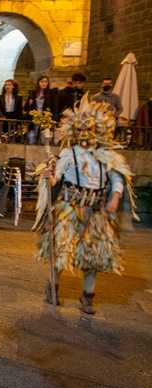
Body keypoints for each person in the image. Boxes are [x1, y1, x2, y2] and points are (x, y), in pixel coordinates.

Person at [34, 95, 136, 314]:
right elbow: (57, 177)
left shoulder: (107, 156)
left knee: (93, 255)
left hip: (96, 211)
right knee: (62, 251)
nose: (84, 135)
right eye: (79, 131)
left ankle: (87, 296)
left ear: (97, 130)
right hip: (70, 208)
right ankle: (53, 287)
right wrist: (48, 176)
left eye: (88, 129)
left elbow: (118, 179)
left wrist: (115, 198)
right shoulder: (68, 154)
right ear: (74, 132)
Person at [25, 75, 59, 143]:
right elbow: (26, 107)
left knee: (44, 140)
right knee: (32, 138)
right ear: (38, 83)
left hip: (46, 120)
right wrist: (29, 103)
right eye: (42, 81)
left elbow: (55, 107)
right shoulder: (33, 93)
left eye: (45, 82)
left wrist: (54, 119)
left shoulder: (51, 93)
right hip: (34, 119)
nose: (44, 83)